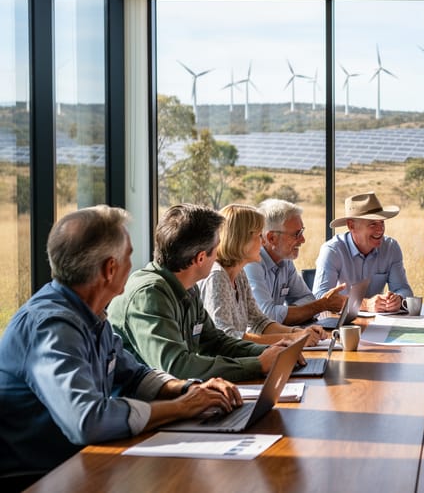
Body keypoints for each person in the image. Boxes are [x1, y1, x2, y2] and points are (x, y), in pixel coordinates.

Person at [0, 206, 242, 486]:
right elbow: (88, 420)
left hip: (82, 464)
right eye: (129, 255)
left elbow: (135, 375)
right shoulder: (51, 326)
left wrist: (190, 389)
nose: (134, 264)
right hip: (39, 478)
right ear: (110, 269)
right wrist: (181, 408)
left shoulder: (90, 314)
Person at [109, 204, 299, 382]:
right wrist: (257, 364)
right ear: (200, 258)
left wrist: (271, 352)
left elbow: (216, 342)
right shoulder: (149, 294)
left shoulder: (188, 288)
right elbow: (177, 366)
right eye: (216, 248)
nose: (219, 255)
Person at [198, 204, 327, 346]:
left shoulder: (239, 273)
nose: (263, 241)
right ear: (241, 240)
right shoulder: (217, 276)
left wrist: (298, 332)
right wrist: (293, 338)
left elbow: (260, 322)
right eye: (259, 235)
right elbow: (227, 337)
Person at [246, 198, 346, 326]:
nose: (303, 240)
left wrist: (291, 313)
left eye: (302, 232)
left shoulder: (285, 261)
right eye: (297, 234)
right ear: (272, 238)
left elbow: (308, 298)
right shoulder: (252, 263)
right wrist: (319, 305)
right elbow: (267, 317)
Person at [313, 192, 413, 313]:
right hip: (339, 324)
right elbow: (320, 297)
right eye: (373, 224)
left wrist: (398, 298)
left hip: (378, 323)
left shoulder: (391, 248)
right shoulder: (332, 250)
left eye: (382, 222)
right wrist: (365, 304)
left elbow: (403, 289)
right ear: (351, 226)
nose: (380, 229)